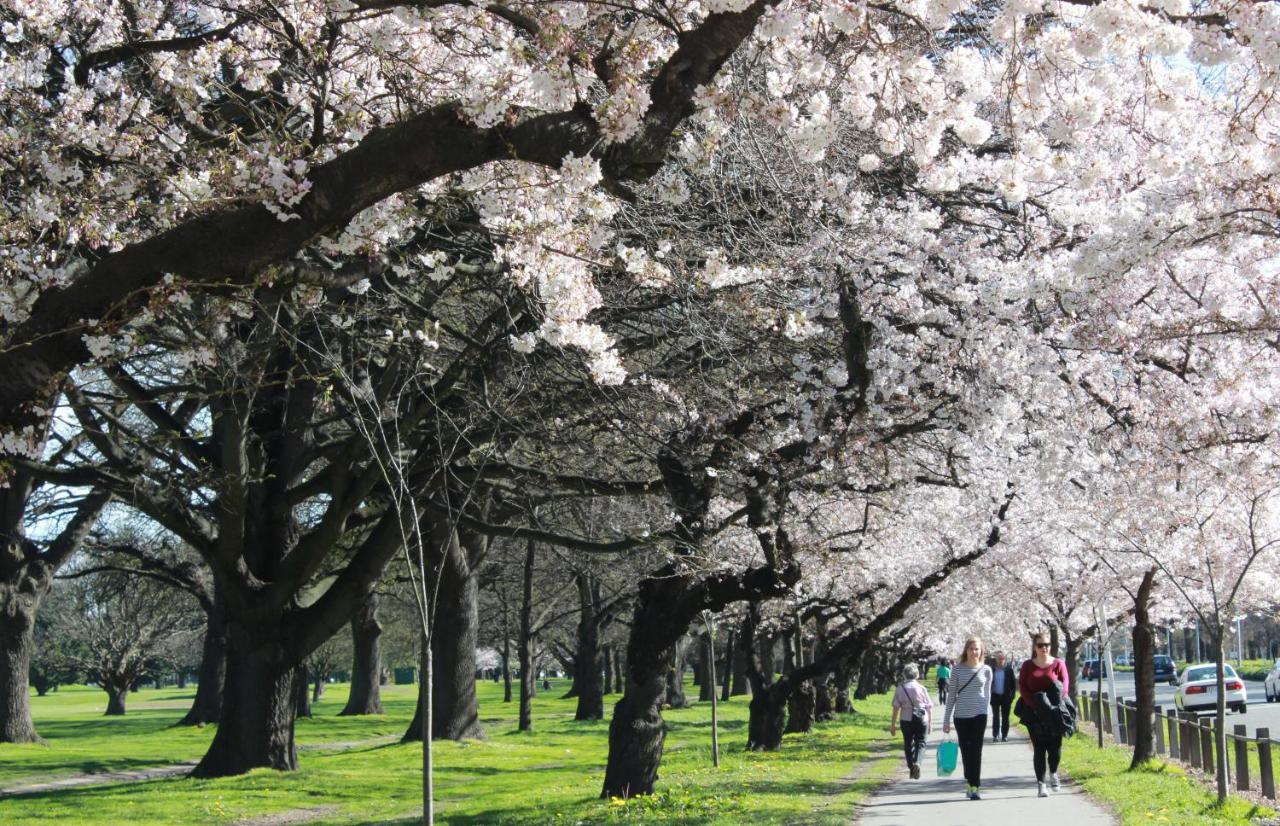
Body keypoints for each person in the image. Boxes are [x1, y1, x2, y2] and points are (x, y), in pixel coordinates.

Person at [1018, 632, 1072, 798]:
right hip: (1034, 712)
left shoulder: (1058, 664)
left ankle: (1053, 772)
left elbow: (1064, 686)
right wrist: (1035, 705)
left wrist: (1053, 705)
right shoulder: (1028, 665)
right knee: (1039, 748)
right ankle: (1041, 784)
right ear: (1035, 647)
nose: (1044, 648)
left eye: (1047, 645)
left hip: (1055, 711)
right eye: (1040, 645)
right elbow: (1023, 687)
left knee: (1055, 748)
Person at [943, 636, 993, 800]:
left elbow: (987, 695)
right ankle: (968, 778)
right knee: (965, 750)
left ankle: (975, 786)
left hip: (979, 715)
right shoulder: (957, 669)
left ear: (981, 651)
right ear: (966, 650)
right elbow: (951, 696)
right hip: (961, 715)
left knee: (976, 750)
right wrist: (946, 719)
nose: (974, 652)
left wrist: (987, 714)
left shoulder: (986, 670)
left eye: (977, 649)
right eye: (971, 649)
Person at [889, 664, 933, 779]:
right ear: (917, 675)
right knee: (921, 742)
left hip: (906, 718)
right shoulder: (922, 688)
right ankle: (917, 762)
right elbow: (929, 707)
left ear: (904, 675)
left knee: (908, 743)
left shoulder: (900, 688)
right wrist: (930, 723)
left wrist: (893, 725)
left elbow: (895, 707)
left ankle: (910, 766)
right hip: (922, 718)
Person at [989, 651, 1017, 742]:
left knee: (1005, 717)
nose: (1001, 660)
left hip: (1006, 697)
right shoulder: (992, 670)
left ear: (1005, 660)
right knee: (995, 716)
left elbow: (1013, 685)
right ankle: (995, 735)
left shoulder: (1009, 670)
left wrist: (1012, 696)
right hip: (995, 696)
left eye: (1002, 659)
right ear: (996, 660)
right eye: (999, 659)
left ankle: (1004, 735)